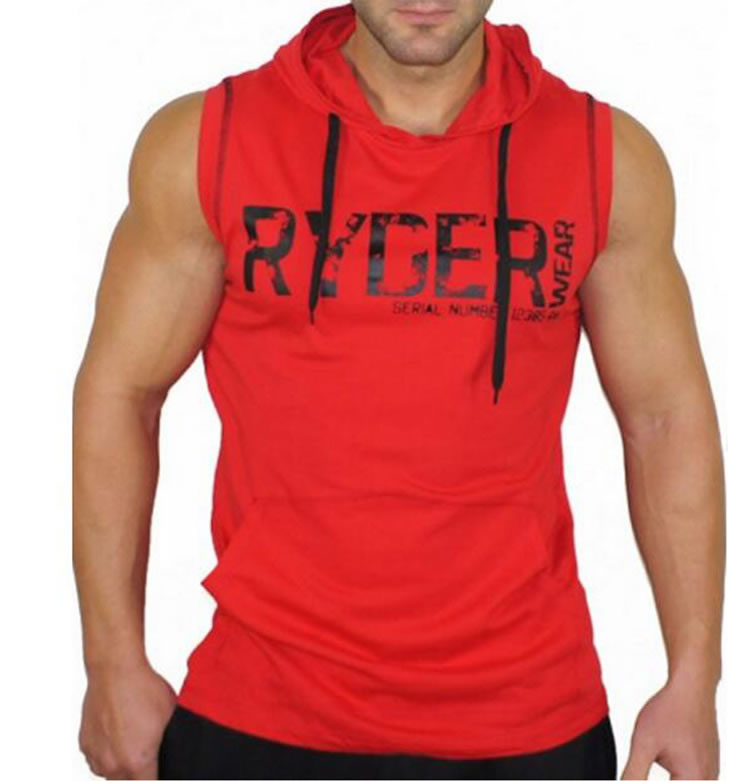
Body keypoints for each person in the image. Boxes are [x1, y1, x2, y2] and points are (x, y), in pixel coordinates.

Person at [73, 1, 725, 779]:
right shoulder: (209, 141)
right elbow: (122, 390)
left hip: (528, 720)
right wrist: (111, 660)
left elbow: (663, 417)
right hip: (261, 711)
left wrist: (695, 676)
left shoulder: (602, 155)